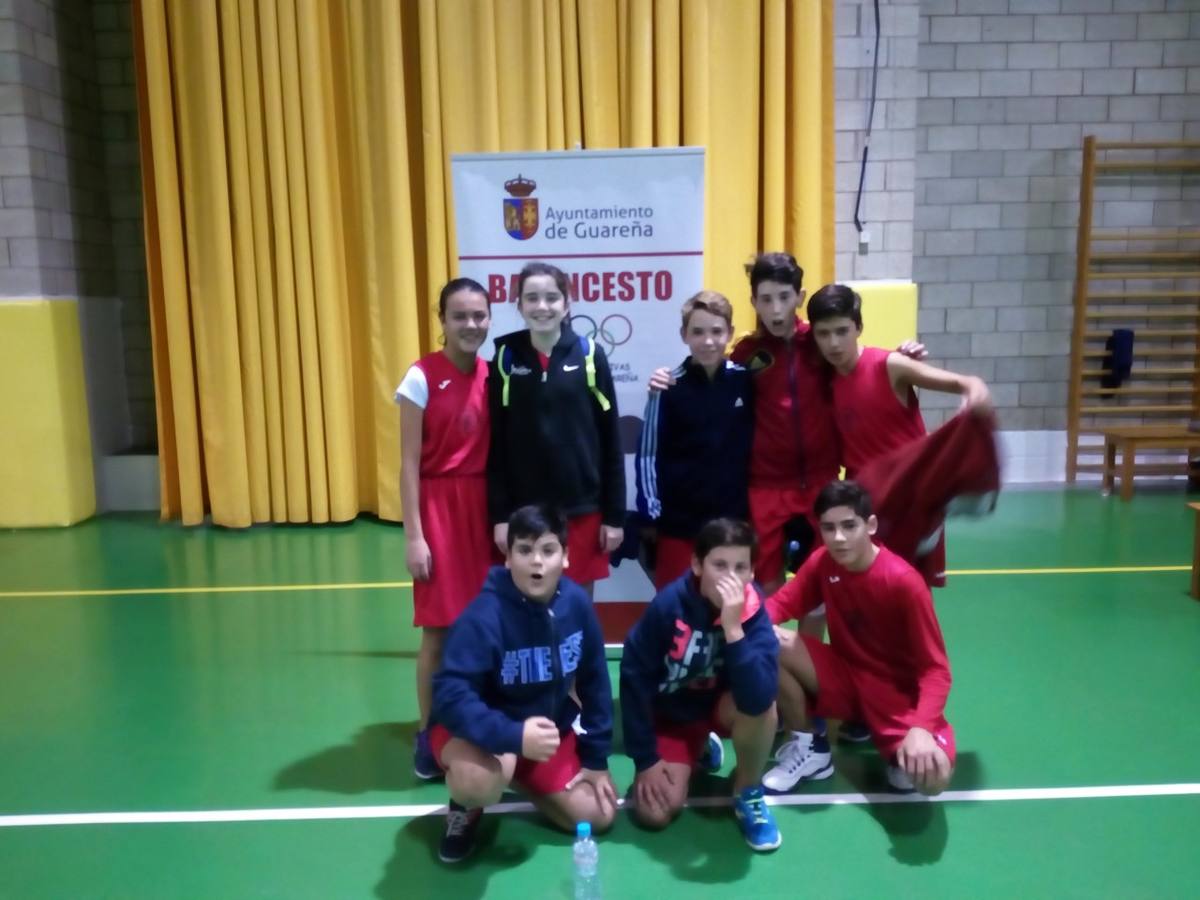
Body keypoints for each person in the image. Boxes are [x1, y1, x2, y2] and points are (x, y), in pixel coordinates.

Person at [429, 505, 618, 863]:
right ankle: (467, 804)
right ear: (508, 557)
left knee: (600, 814)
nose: (537, 562)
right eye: (525, 550)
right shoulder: (483, 616)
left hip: (543, 736)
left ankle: (518, 777)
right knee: (476, 781)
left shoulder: (577, 605)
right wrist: (513, 738)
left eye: (548, 550)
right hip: (479, 733)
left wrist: (596, 758)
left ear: (565, 557)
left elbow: (595, 680)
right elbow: (450, 698)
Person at [763, 481, 955, 796]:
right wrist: (734, 622)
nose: (838, 538)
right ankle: (811, 746)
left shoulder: (904, 582)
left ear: (871, 525)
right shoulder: (823, 562)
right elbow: (781, 604)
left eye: (849, 526)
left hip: (896, 698)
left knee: (932, 779)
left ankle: (899, 751)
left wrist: (921, 728)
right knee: (765, 640)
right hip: (847, 679)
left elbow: (937, 670)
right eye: (829, 528)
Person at [807, 281, 992, 586]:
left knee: (909, 588)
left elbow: (965, 383)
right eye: (824, 334)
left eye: (842, 331)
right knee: (856, 587)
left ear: (858, 327)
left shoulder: (890, 365)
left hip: (910, 499)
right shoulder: (823, 378)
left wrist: (975, 394)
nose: (834, 343)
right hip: (862, 500)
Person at [620, 518, 782, 852]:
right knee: (654, 813)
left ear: (752, 573)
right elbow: (633, 679)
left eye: (740, 567)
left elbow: (759, 698)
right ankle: (698, 748)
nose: (730, 577)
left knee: (763, 709)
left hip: (722, 708)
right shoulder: (668, 606)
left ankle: (748, 792)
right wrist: (646, 759)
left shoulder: (753, 613)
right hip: (674, 717)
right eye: (719, 565)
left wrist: (734, 629)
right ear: (697, 564)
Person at [395, 278, 494, 781]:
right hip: (438, 509)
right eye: (461, 316)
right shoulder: (420, 377)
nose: (471, 325)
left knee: (487, 627)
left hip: (485, 511)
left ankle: (478, 723)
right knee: (438, 631)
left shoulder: (494, 376)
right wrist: (414, 534)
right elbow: (408, 464)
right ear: (443, 321)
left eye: (479, 315)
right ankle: (427, 730)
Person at [488, 262, 624, 594]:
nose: (542, 306)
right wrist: (501, 516)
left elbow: (611, 440)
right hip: (525, 512)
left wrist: (615, 516)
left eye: (551, 297)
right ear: (519, 305)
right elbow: (496, 445)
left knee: (576, 608)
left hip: (582, 509)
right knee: (527, 610)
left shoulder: (591, 355)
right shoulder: (505, 357)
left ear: (567, 303)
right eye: (532, 298)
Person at [635, 291, 754, 588]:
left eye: (716, 331)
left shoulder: (747, 381)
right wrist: (652, 512)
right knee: (676, 610)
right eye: (698, 332)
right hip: (679, 525)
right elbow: (648, 455)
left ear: (729, 333)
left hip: (733, 522)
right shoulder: (667, 387)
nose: (708, 341)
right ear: (684, 335)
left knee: (730, 608)